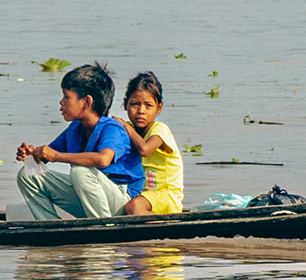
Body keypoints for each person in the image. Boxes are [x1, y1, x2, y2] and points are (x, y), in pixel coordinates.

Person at [16, 63, 146, 221]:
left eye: (66, 97)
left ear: (86, 102)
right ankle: (50, 226)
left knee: (81, 172)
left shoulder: (112, 128)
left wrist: (56, 156)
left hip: (122, 203)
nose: (61, 102)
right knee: (27, 175)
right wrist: (33, 155)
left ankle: (103, 227)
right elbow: (48, 155)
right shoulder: (75, 128)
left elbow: (103, 159)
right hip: (90, 199)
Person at [119, 71, 182, 217]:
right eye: (135, 104)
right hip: (143, 195)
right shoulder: (129, 130)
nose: (141, 111)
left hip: (166, 196)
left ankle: (168, 225)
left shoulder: (160, 130)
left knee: (134, 207)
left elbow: (145, 149)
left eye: (148, 105)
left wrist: (126, 127)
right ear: (125, 104)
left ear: (159, 108)